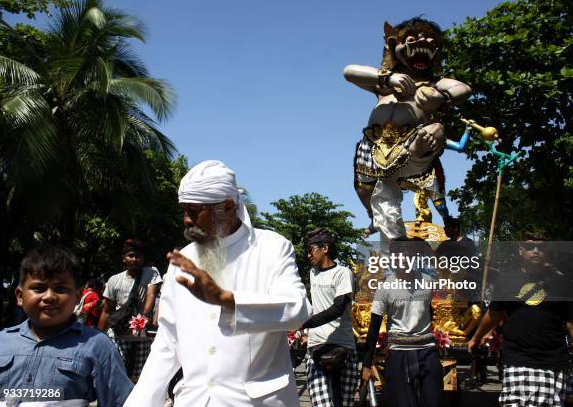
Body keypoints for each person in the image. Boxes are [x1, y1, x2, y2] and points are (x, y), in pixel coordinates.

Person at [124, 160, 312, 407]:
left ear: (227, 206)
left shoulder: (271, 248)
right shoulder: (183, 260)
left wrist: (229, 301)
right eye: (184, 210)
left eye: (194, 211)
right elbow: (168, 343)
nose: (186, 220)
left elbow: (298, 310)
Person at [344, 17, 472, 239]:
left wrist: (441, 98)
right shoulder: (384, 86)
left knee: (435, 130)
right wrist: (387, 78)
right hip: (374, 149)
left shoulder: (432, 85)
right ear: (395, 47)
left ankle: (442, 214)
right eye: (411, 39)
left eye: (430, 40)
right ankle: (374, 217)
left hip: (411, 149)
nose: (422, 42)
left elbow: (463, 88)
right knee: (364, 190)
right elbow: (349, 72)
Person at [468, 232, 573, 407]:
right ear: (521, 250)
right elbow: (493, 315)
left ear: (547, 252)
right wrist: (476, 338)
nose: (536, 251)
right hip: (517, 361)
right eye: (530, 247)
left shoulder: (562, 283)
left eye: (541, 247)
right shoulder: (505, 281)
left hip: (553, 363)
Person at [0, 244, 133, 406]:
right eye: (38, 288)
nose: (49, 297)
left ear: (76, 296)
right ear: (20, 296)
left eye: (60, 288)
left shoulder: (97, 347)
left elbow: (120, 402)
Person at [362, 240, 443, 407]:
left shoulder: (428, 282)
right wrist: (366, 364)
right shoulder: (385, 287)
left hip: (427, 351)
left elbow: (428, 311)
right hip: (398, 353)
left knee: (433, 401)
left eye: (409, 256)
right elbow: (374, 326)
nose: (405, 259)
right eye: (400, 256)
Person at [300, 228, 358, 407]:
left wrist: (304, 323)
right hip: (316, 346)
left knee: (344, 403)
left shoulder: (342, 273)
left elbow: (338, 308)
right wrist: (306, 331)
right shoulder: (312, 273)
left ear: (324, 248)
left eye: (311, 250)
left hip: (343, 346)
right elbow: (314, 306)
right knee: (322, 404)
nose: (309, 255)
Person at [98, 239, 162, 380]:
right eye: (131, 255)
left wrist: (144, 316)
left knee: (139, 377)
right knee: (116, 374)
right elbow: (107, 310)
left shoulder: (151, 273)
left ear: (143, 258)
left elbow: (151, 295)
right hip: (118, 335)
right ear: (124, 259)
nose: (135, 259)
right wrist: (98, 336)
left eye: (138, 256)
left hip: (140, 335)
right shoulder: (114, 280)